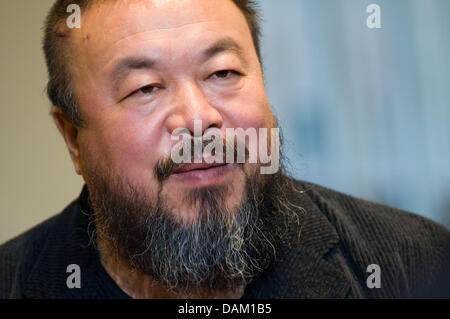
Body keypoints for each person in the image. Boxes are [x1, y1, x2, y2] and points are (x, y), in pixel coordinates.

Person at [0, 0, 449, 299]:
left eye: (223, 73)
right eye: (145, 88)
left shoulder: (415, 263)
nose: (198, 120)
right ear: (73, 139)